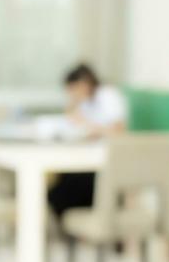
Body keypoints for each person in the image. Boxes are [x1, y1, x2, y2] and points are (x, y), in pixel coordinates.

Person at [46, 62, 128, 219]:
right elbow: (73, 120)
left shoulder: (108, 96)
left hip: (105, 163)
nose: (72, 93)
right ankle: (72, 230)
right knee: (58, 186)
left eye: (73, 88)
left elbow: (119, 131)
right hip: (88, 158)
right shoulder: (86, 101)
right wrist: (74, 103)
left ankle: (78, 229)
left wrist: (87, 125)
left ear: (84, 83)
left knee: (60, 192)